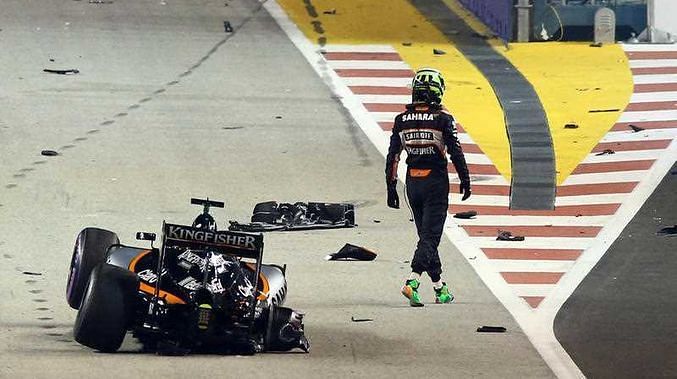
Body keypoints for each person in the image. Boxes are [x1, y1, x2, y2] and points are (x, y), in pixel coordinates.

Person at [385, 68, 471, 307]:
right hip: (435, 183)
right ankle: (412, 281)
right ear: (437, 92)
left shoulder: (401, 120)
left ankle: (439, 287)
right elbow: (455, 150)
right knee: (431, 238)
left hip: (412, 183)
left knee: (425, 236)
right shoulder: (443, 119)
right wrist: (465, 178)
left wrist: (391, 187)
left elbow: (393, 156)